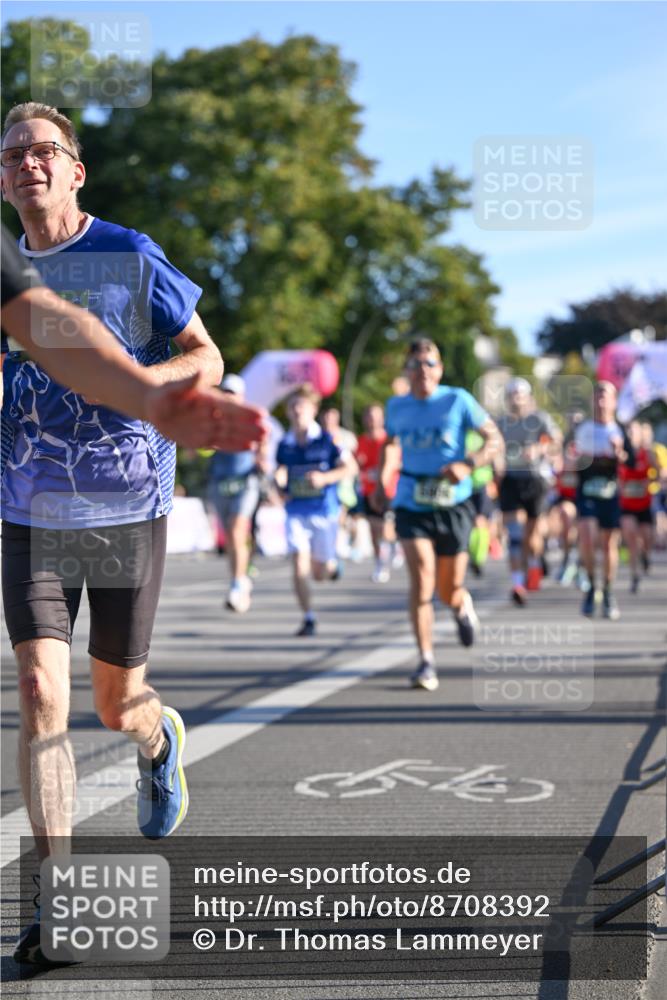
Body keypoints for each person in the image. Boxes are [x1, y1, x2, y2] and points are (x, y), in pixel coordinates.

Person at [0, 102, 232, 964]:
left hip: (127, 505)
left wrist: (141, 383)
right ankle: (56, 901)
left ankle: (158, 739)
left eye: (43, 150)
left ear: (76, 170)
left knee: (115, 704)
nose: (27, 163)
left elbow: (207, 355)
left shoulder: (128, 255)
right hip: (27, 509)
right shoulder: (5, 269)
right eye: (12, 156)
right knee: (39, 693)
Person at [1, 224, 266, 449]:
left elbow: (209, 358)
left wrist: (147, 394)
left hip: (127, 482)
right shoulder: (19, 257)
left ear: (78, 180)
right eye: (12, 160)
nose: (28, 169)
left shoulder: (130, 250)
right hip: (21, 485)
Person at [372, 338, 502, 691]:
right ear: (407, 370)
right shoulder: (397, 406)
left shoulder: (458, 399)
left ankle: (461, 606)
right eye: (415, 364)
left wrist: (468, 463)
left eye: (429, 364)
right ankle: (426, 660)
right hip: (411, 501)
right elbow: (390, 444)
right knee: (422, 580)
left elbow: (494, 441)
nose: (423, 371)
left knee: (448, 589)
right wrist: (382, 481)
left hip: (453, 503)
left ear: (440, 369)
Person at [276, 385, 356, 636]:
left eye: (302, 405)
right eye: (293, 406)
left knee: (319, 573)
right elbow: (280, 470)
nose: (297, 410)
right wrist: (279, 485)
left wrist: (325, 478)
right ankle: (308, 617)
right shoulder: (285, 443)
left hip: (324, 512)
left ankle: (332, 566)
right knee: (299, 564)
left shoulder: (328, 440)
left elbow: (350, 468)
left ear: (313, 409)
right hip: (296, 512)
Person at [496, 378, 561, 605]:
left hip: (535, 480)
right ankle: (517, 584)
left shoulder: (539, 419)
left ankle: (535, 561)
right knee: (514, 534)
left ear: (527, 397)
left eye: (520, 394)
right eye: (512, 395)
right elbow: (493, 445)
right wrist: (496, 462)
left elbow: (556, 441)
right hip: (511, 479)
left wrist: (539, 448)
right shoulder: (501, 422)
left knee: (532, 536)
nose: (516, 399)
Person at [207, 373, 268, 612]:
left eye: (232, 393)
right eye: (225, 392)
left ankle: (236, 584)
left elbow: (263, 443)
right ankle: (240, 578)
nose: (228, 397)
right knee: (232, 540)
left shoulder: (251, 418)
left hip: (246, 482)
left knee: (236, 529)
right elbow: (197, 448)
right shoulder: (212, 419)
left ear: (241, 396)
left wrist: (262, 458)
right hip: (219, 482)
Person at [573, 381, 629, 619]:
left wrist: (620, 453)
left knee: (608, 546)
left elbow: (632, 462)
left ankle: (607, 591)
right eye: (597, 397)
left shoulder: (621, 430)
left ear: (614, 402)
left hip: (610, 494)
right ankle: (590, 587)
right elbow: (570, 458)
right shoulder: (582, 429)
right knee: (587, 537)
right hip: (587, 491)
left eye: (606, 397)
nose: (601, 402)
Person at [353, 402, 399, 582]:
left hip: (388, 490)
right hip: (368, 490)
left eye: (376, 416)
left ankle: (394, 546)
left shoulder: (389, 440)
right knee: (373, 530)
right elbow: (357, 464)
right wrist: (361, 466)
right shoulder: (361, 441)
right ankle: (380, 563)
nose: (372, 420)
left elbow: (397, 463)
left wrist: (383, 476)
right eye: (369, 417)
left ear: (382, 419)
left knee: (385, 528)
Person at [619, 419, 655, 593]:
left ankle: (646, 555)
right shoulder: (621, 455)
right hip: (626, 505)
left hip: (644, 504)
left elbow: (659, 472)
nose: (631, 435)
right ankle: (634, 576)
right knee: (631, 538)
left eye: (634, 432)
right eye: (629, 432)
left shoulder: (647, 453)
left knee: (646, 537)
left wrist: (651, 481)